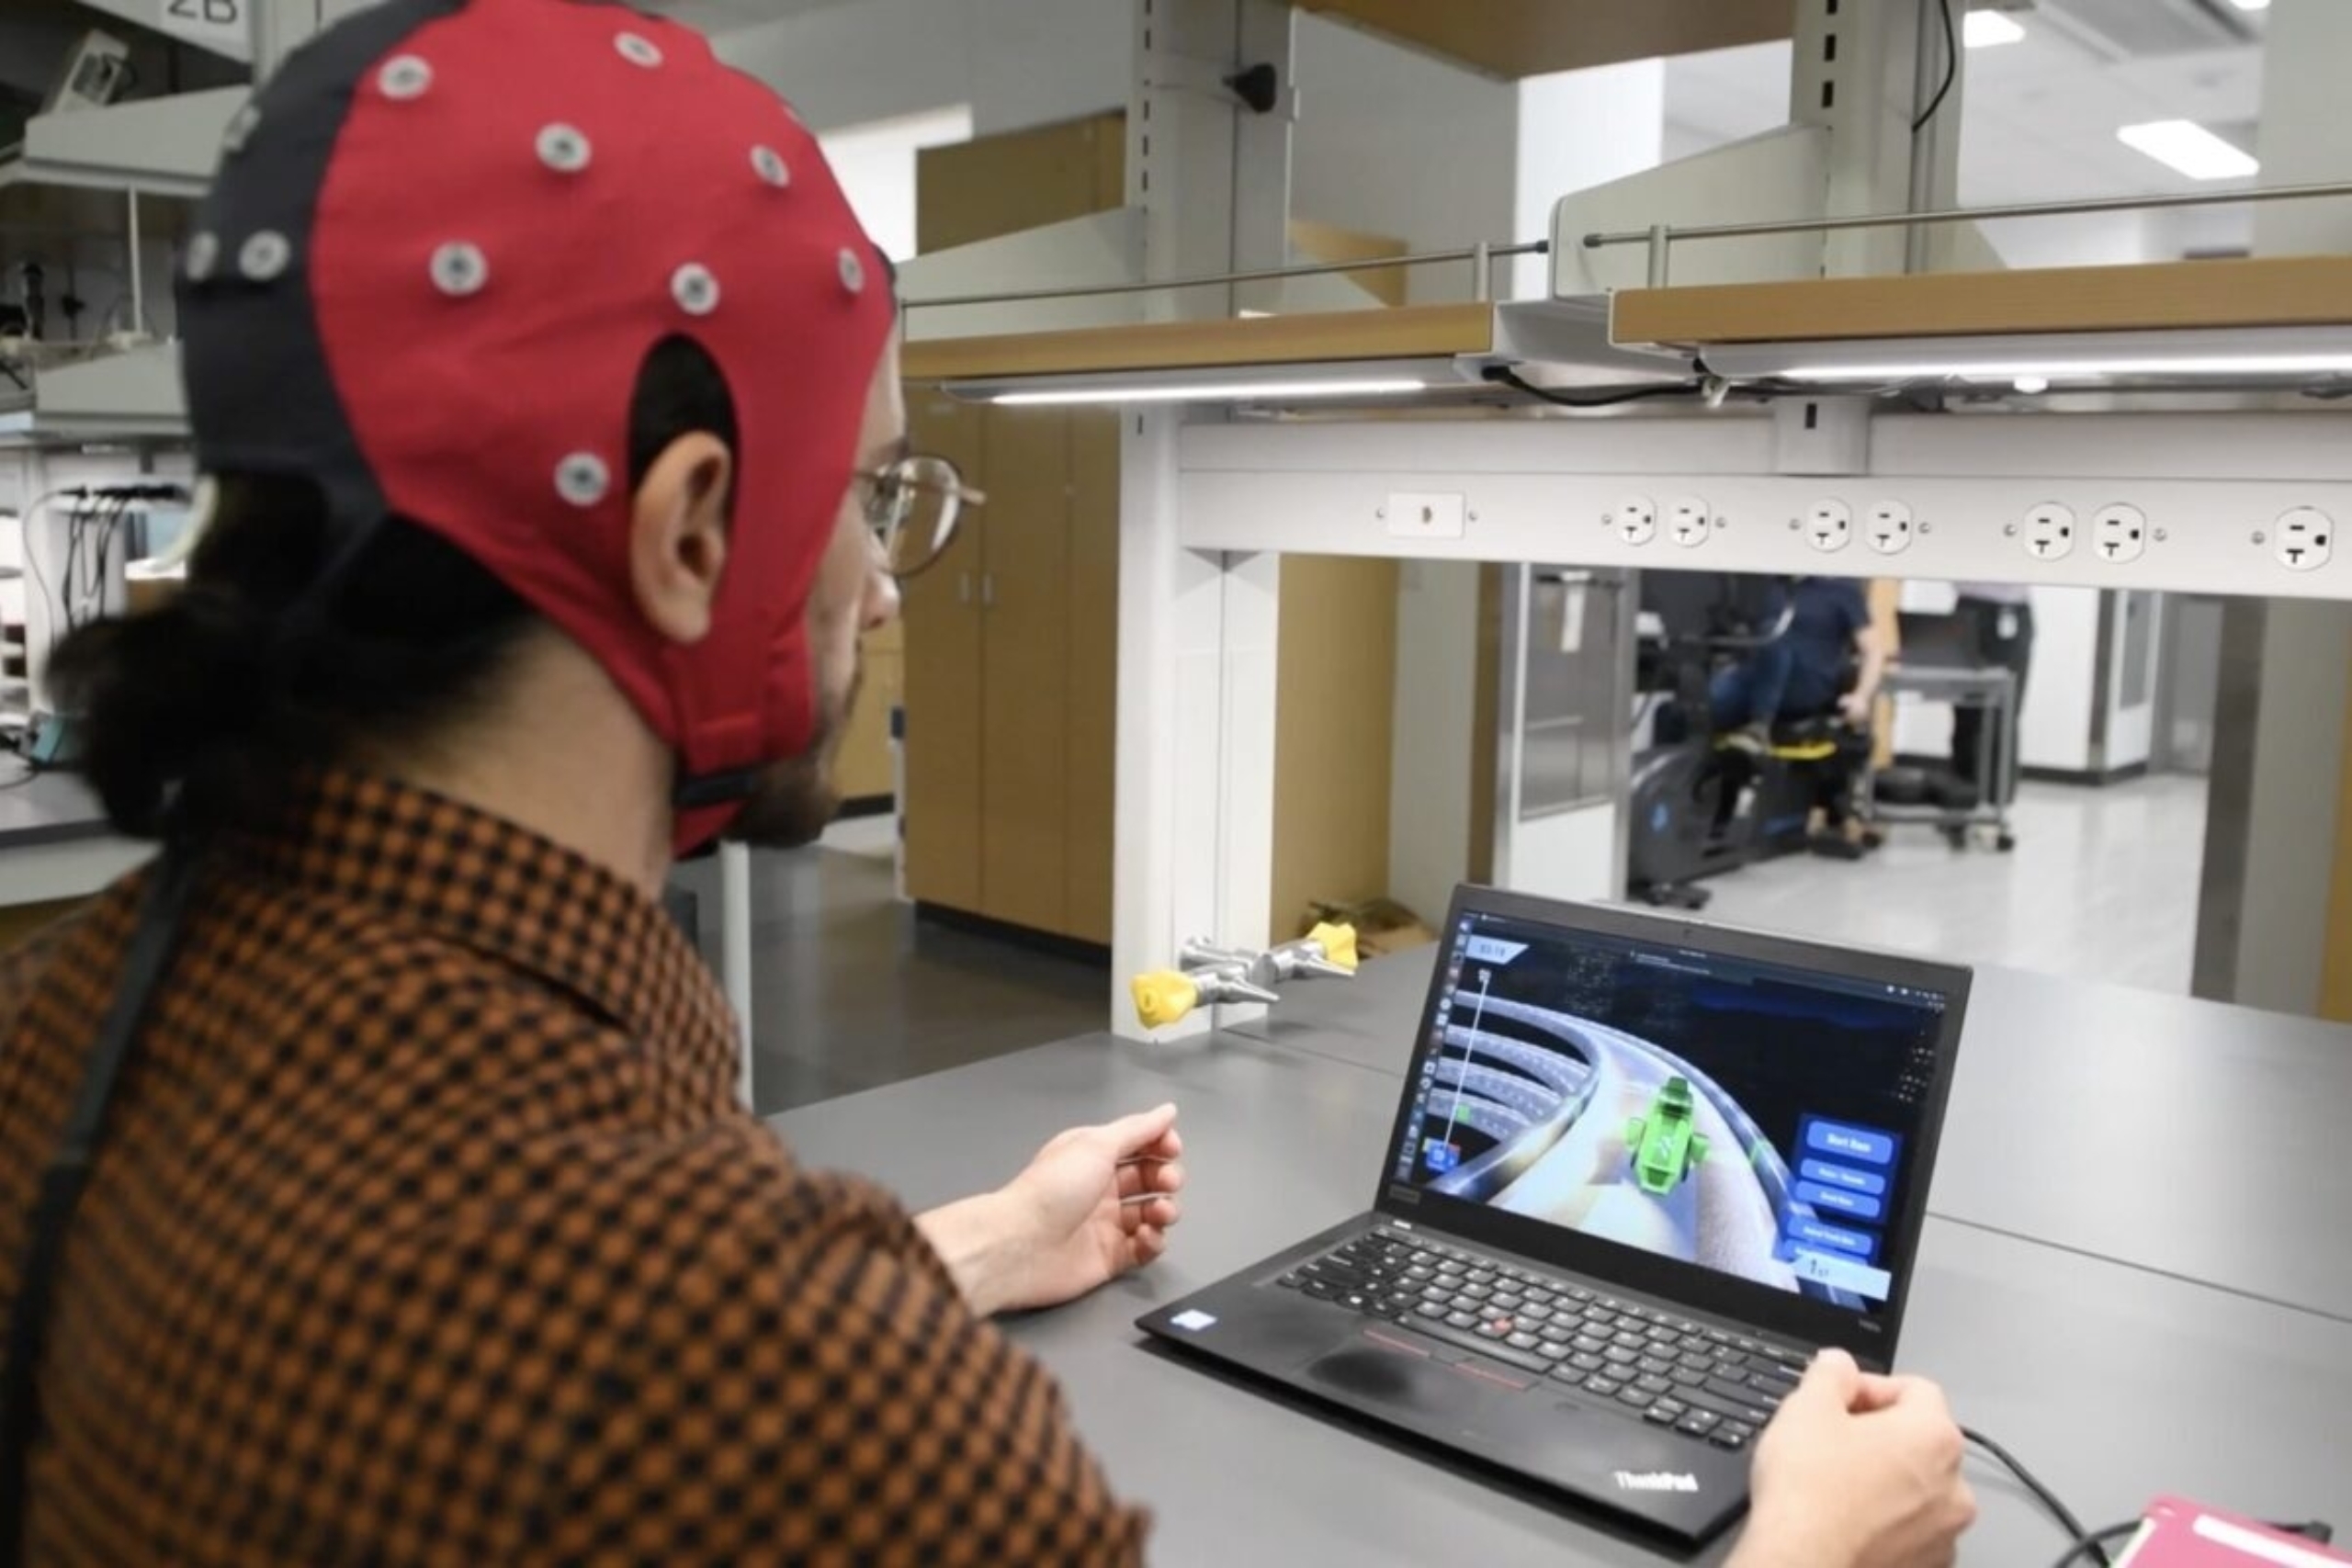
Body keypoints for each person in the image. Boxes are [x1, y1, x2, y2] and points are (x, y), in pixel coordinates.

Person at [0, 3, 1973, 1562]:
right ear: (689, 530)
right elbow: (671, 1367)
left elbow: (474, 1371)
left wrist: (956, 1251)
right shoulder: (733, 1366)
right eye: (863, 493)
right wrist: (1800, 1549)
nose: (878, 580)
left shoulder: (88, 1013)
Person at [1713, 576, 1888, 744]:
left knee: (1774, 634)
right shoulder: (1769, 586)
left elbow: (1873, 651)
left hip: (1805, 684)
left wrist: (1861, 697)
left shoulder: (1842, 590)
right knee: (1704, 704)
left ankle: (1759, 727)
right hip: (1756, 678)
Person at [1950, 581, 2034, 805]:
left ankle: (1996, 805)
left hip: (2007, 612)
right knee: (1965, 711)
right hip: (1967, 608)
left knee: (2002, 713)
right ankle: (1961, 797)